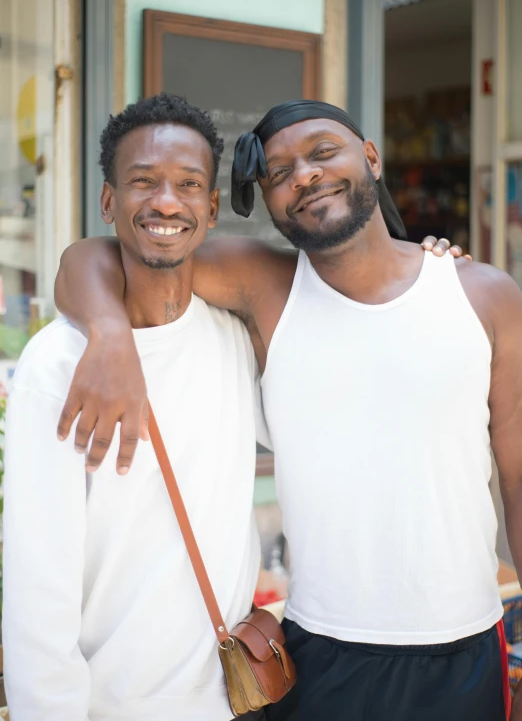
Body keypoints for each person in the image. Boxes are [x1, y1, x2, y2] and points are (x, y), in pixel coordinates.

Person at [52, 98, 518, 721]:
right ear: (266, 201)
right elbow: (93, 257)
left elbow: (517, 474)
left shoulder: (482, 295)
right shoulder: (266, 286)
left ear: (370, 159)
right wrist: (109, 336)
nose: (303, 176)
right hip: (322, 651)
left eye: (323, 153)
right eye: (277, 173)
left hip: (466, 646)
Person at [2, 95, 269, 721]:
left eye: (188, 185)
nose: (166, 202)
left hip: (235, 698)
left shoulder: (234, 338)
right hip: (115, 706)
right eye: (143, 182)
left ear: (209, 208)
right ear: (108, 201)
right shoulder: (58, 363)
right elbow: (39, 591)